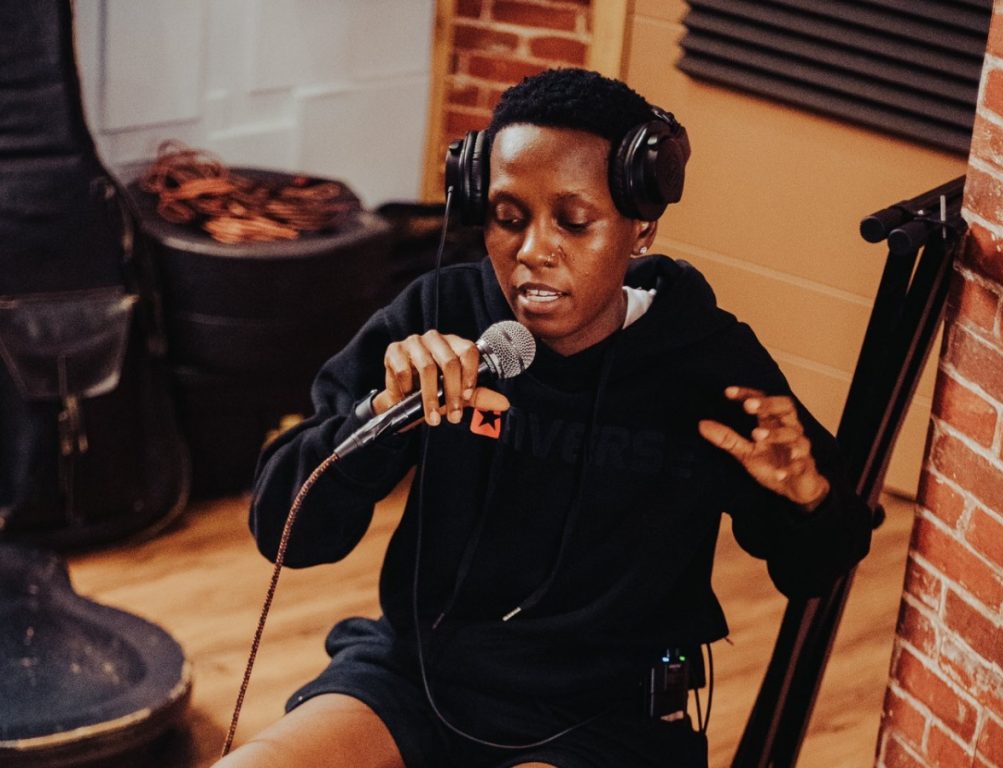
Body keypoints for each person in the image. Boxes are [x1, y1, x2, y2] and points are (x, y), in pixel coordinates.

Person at [215, 68, 872, 768]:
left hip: (606, 716)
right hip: (417, 676)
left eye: (573, 222)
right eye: (508, 218)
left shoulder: (707, 359)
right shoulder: (439, 318)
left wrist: (807, 502)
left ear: (641, 227)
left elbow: (818, 571)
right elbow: (284, 532)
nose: (532, 250)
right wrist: (380, 415)